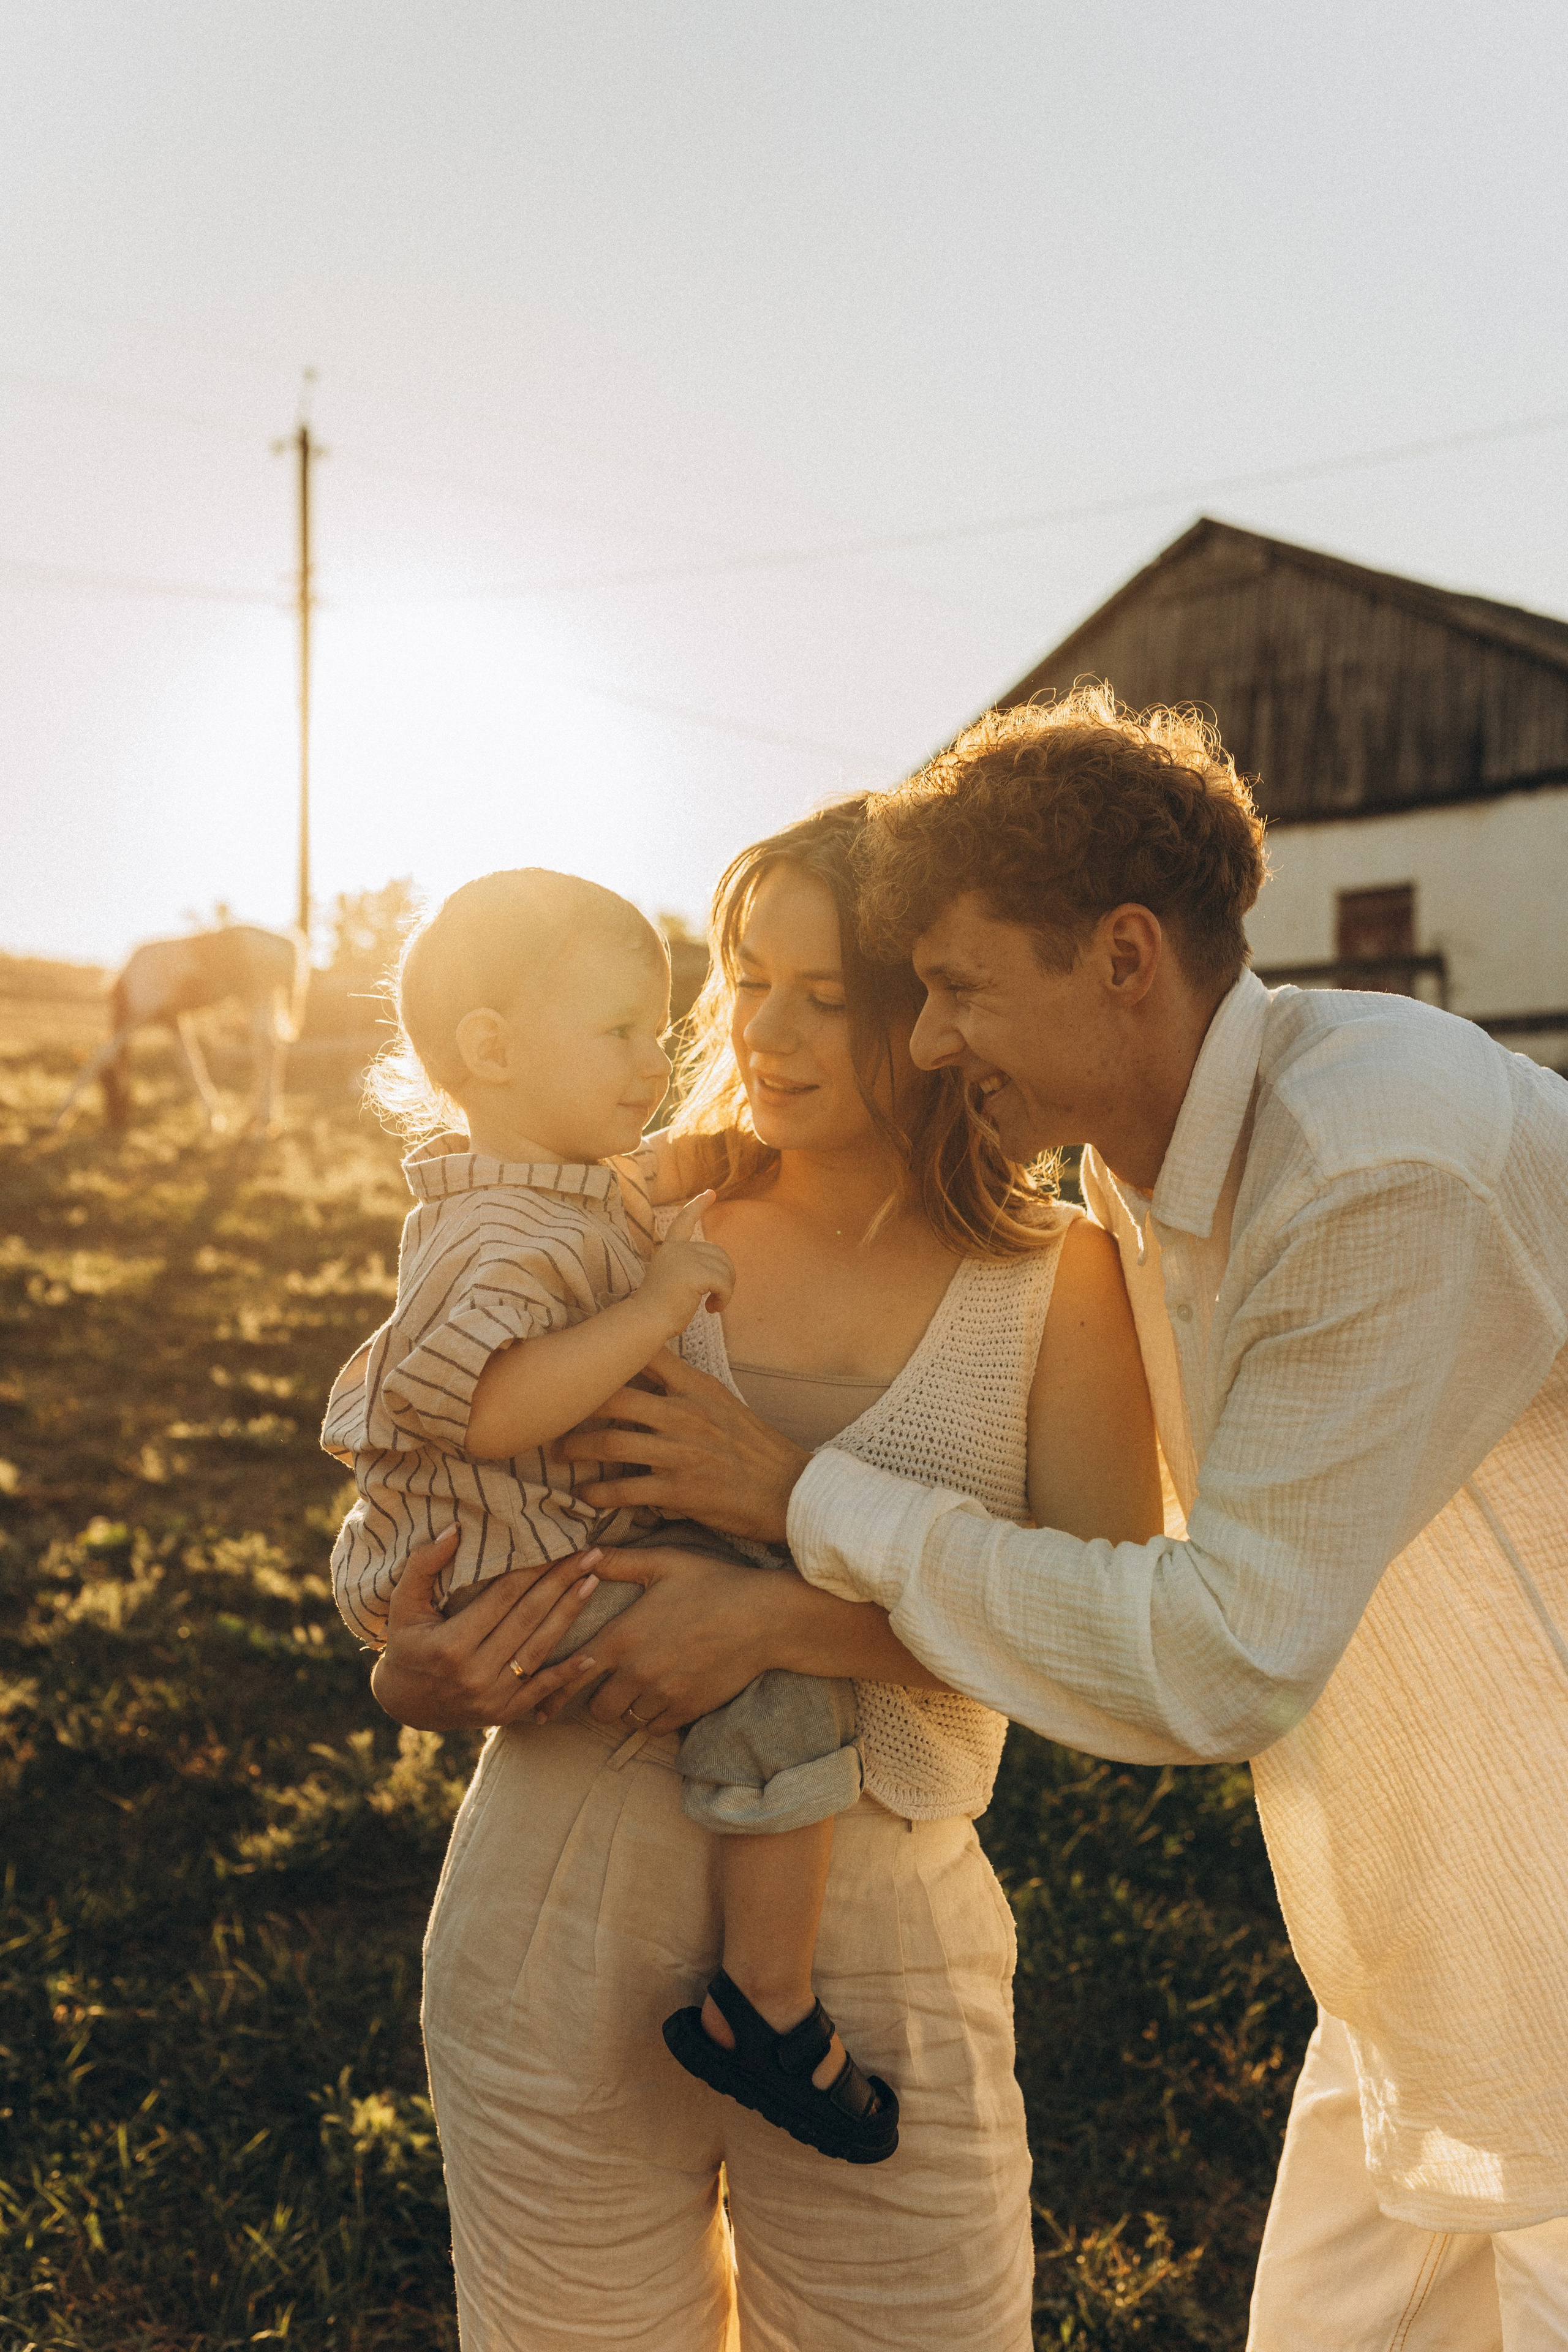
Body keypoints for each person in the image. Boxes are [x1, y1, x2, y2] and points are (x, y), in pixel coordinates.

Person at [560, 685, 1568, 2352]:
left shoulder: (1376, 1161)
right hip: (1438, 1909)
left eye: (958, 989)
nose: (930, 1039)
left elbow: (1221, 1653)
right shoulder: (1145, 1159)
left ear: (1122, 958)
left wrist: (803, 1499)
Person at [367, 801, 1163, 2350]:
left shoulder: (1052, 1278)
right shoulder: (616, 1218)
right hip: (556, 1892)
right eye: (745, 981)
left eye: (828, 994)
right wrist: (407, 1671)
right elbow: (431, 1464)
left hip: (878, 1931)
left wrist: (774, 1618)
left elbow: (1114, 1634)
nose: (764, 1034)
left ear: (936, 1007)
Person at [321, 864, 896, 2166]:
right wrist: (653, 1308)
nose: (655, 1061)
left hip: (534, 1549)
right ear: (492, 1049)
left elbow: (642, 1179)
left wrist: (714, 1156)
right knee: (780, 1672)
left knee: (762, 1604)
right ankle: (768, 2005)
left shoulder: (557, 1183)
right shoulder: (495, 1234)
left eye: (661, 1028)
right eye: (620, 1032)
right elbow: (486, 1409)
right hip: (516, 1571)